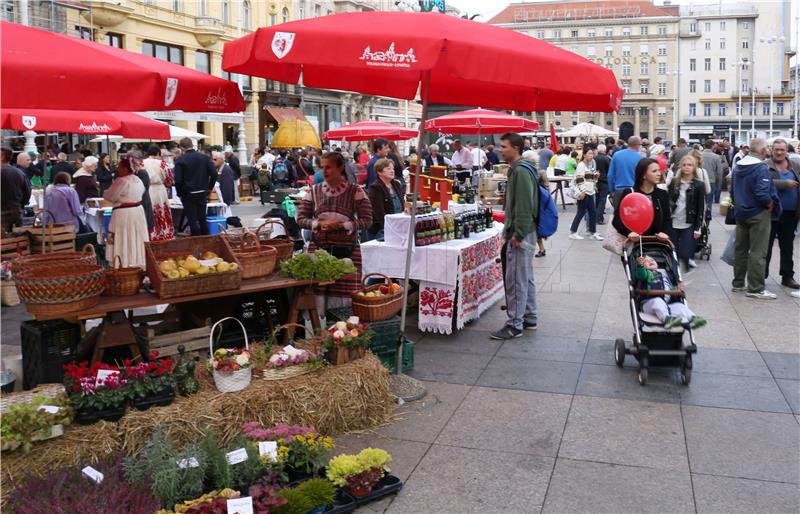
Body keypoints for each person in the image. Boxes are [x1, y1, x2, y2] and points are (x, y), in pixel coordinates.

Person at [297, 151, 372, 306]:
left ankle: (341, 329)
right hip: (318, 250)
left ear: (340, 168)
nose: (324, 171)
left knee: (344, 303)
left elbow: (367, 220)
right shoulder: (314, 190)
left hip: (348, 253)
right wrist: (318, 224)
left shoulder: (356, 190)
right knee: (316, 301)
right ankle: (318, 330)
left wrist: (344, 225)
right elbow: (301, 219)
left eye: (328, 167)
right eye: (322, 167)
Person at [491, 132, 538, 340]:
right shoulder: (519, 170)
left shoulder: (520, 171)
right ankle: (529, 317)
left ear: (516, 148)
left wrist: (518, 233)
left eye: (504, 146)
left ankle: (514, 325)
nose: (501, 150)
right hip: (525, 230)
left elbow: (525, 205)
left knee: (516, 279)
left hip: (522, 232)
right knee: (525, 276)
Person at [731, 137, 780, 300]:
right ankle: (756, 288)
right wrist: (769, 203)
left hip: (741, 213)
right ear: (763, 151)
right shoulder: (761, 168)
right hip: (757, 214)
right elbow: (761, 193)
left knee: (741, 250)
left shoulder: (739, 166)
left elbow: (732, 189)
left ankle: (738, 283)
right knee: (758, 252)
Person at [764, 139, 800, 289]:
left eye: (782, 150)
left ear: (787, 151)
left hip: (791, 213)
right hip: (771, 212)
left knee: (787, 246)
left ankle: (787, 276)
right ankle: (761, 276)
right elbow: (764, 184)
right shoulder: (765, 165)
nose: (779, 152)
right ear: (772, 150)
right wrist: (785, 184)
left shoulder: (795, 166)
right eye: (776, 149)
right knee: (766, 246)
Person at [636, 255, 706, 329]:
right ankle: (667, 319)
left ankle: (693, 319)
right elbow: (641, 275)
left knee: (680, 306)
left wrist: (677, 289)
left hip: (666, 305)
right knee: (658, 301)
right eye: (646, 261)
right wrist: (640, 266)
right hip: (648, 305)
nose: (650, 261)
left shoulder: (665, 275)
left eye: (652, 259)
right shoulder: (647, 274)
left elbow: (670, 288)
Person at [103, 158, 149, 268]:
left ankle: (122, 263)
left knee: (122, 237)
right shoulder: (138, 180)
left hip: (123, 214)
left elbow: (109, 196)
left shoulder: (121, 181)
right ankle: (137, 261)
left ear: (124, 168)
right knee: (136, 236)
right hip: (137, 212)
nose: (118, 169)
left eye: (119, 167)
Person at [612, 158, 671, 241]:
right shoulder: (630, 194)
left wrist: (665, 232)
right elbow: (617, 219)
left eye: (659, 170)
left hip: (657, 242)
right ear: (643, 175)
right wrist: (628, 232)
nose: (659, 174)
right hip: (634, 242)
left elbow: (667, 219)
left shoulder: (662, 194)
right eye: (654, 171)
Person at [173, 137, 217, 236]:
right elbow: (214, 173)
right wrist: (209, 188)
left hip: (188, 193)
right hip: (202, 191)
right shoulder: (204, 158)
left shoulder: (180, 160)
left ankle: (197, 242)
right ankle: (206, 240)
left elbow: (178, 180)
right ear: (192, 145)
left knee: (192, 220)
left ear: (182, 147)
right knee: (202, 219)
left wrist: (179, 193)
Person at [668, 156, 706, 272]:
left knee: (686, 251)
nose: (687, 167)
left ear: (694, 167)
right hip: (674, 220)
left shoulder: (699, 185)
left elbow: (701, 207)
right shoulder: (675, 182)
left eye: (689, 165)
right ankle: (674, 274)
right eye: (684, 165)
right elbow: (668, 200)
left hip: (689, 222)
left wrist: (698, 227)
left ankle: (683, 273)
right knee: (673, 250)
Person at [568, 149, 603, 241]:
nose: (591, 155)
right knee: (581, 212)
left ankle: (592, 232)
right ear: (584, 155)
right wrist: (582, 191)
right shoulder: (581, 165)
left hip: (590, 191)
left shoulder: (590, 164)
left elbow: (589, 179)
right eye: (589, 153)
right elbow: (579, 179)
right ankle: (573, 232)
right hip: (585, 192)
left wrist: (595, 176)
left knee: (592, 212)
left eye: (592, 154)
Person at [366, 158, 404, 241]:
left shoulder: (396, 184)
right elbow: (378, 212)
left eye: (393, 168)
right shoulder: (375, 188)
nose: (392, 171)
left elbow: (402, 204)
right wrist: (390, 229)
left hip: (398, 227)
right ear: (379, 172)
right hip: (381, 230)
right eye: (388, 169)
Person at [143, 145, 174, 241]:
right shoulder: (162, 164)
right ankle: (163, 233)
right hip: (159, 189)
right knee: (162, 211)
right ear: (158, 154)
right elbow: (169, 180)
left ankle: (150, 235)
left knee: (148, 212)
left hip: (146, 190)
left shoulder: (142, 163)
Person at [1, 146, 31, 231]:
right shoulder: (19, 173)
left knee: (3, 239)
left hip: (3, 211)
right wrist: (20, 205)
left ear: (2, 156)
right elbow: (27, 192)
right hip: (16, 210)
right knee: (18, 237)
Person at [608, 136, 644, 205]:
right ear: (638, 145)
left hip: (619, 190)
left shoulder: (617, 155)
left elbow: (610, 175)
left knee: (618, 214)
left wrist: (612, 190)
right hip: (634, 191)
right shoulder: (640, 158)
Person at [701, 139, 725, 219]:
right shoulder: (716, 157)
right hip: (711, 181)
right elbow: (719, 172)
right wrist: (718, 183)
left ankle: (700, 214)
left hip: (700, 180)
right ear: (712, 146)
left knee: (700, 199)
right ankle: (707, 214)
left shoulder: (699, 155)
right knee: (709, 200)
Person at [594, 144, 611, 225]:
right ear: (604, 150)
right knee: (602, 200)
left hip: (596, 181)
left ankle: (595, 216)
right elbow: (610, 171)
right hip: (604, 181)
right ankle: (599, 218)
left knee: (597, 199)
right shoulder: (607, 159)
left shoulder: (594, 158)